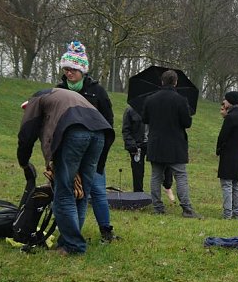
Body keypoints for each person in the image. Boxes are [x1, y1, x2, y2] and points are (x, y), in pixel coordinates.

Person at [17, 88, 114, 255]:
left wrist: (23, 162)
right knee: (81, 192)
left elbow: (26, 134)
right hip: (100, 132)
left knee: (64, 193)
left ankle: (73, 246)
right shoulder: (60, 97)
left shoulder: (36, 100)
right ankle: (68, 241)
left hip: (74, 130)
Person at [56, 41, 119, 242]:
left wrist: (101, 152)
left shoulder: (97, 91)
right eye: (66, 69)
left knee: (96, 190)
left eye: (73, 69)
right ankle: (71, 232)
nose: (69, 73)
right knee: (67, 190)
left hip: (94, 149)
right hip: (68, 150)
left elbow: (108, 121)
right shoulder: (59, 90)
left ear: (82, 70)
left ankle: (105, 231)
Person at [142, 69, 201, 218]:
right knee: (180, 176)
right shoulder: (181, 100)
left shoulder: (150, 99)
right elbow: (187, 123)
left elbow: (145, 119)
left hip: (156, 144)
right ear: (175, 82)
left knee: (156, 176)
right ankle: (187, 209)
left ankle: (158, 207)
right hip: (175, 144)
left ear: (162, 82)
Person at [122, 105, 175, 197]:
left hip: (154, 144)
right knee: (137, 170)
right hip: (137, 145)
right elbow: (126, 129)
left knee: (165, 165)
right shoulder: (131, 110)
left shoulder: (158, 109)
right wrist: (131, 144)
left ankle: (167, 185)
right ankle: (138, 194)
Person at [216, 91, 238, 219]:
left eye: (226, 100)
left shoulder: (231, 117)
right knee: (237, 184)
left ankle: (227, 213)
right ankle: (237, 212)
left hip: (228, 154)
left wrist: (219, 149)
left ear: (230, 102)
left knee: (227, 184)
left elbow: (223, 136)